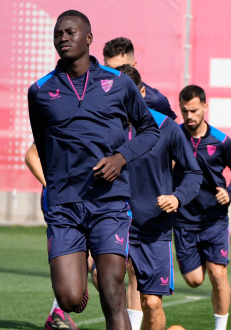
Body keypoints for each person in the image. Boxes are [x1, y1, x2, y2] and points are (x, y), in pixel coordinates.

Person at [27, 10, 160, 330]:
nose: (63, 37)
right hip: (64, 205)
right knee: (71, 298)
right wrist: (58, 182)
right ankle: (72, 295)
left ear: (88, 39)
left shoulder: (118, 84)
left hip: (109, 203)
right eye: (58, 33)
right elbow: (42, 144)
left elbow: (149, 131)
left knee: (113, 293)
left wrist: (120, 158)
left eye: (70, 32)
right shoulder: (40, 90)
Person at [115, 65, 203, 330]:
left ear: (141, 92)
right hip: (115, 224)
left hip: (154, 229)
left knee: (152, 304)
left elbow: (193, 172)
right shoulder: (105, 127)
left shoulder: (166, 127)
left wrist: (177, 197)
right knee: (112, 296)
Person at [173, 85, 231, 330]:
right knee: (194, 280)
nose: (189, 116)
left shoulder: (222, 141)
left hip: (214, 219)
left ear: (205, 106)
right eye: (185, 111)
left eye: (194, 110)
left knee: (218, 275)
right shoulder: (174, 136)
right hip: (183, 220)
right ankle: (202, 259)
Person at [25, 144, 78, 330]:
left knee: (86, 257)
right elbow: (31, 156)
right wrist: (51, 185)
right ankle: (58, 312)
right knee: (77, 254)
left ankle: (58, 311)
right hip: (59, 201)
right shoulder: (56, 120)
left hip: (78, 199)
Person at [103, 37, 177, 120]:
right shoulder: (96, 94)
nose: (114, 74)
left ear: (133, 66)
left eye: (120, 69)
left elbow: (171, 130)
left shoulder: (156, 101)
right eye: (109, 68)